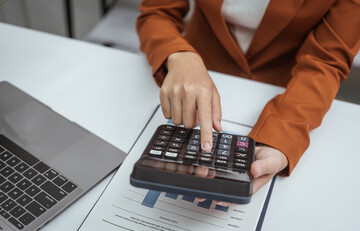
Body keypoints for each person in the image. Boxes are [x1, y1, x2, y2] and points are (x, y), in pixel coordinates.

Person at [136, 0, 360, 194]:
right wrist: (177, 55)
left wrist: (282, 137)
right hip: (197, 65)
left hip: (288, 88)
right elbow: (157, 12)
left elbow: (326, 60)